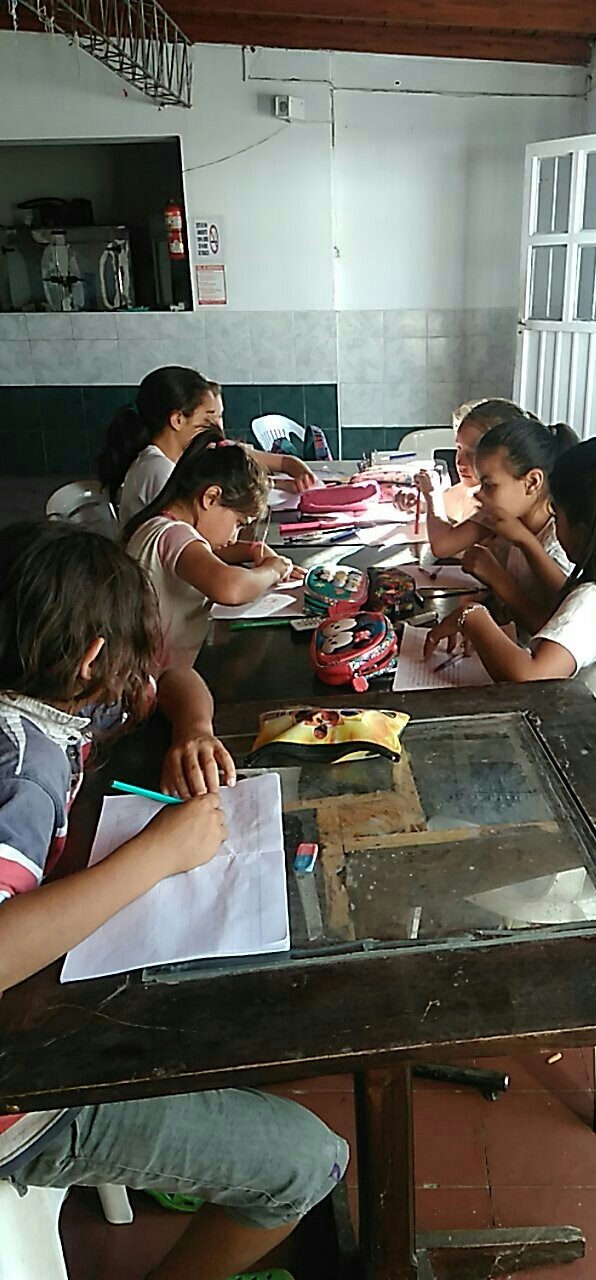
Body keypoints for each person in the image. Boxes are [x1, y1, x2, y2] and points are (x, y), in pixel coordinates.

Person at [0, 521, 348, 1280]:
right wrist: (155, 855)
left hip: (42, 1024)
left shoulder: (47, 689)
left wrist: (192, 729)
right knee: (309, 1161)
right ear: (93, 656)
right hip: (23, 1095)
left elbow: (175, 679)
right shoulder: (19, 770)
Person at [424, 424, 596, 724]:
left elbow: (530, 679)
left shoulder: (595, 599)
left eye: (557, 515)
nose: (555, 527)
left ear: (584, 526)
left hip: (588, 744)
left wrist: (472, 617)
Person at [124, 432, 298, 670]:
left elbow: (210, 552)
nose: (234, 536)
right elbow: (230, 588)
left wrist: (254, 550)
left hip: (158, 668)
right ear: (211, 498)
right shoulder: (174, 535)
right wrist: (273, 570)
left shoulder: (160, 525)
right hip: (155, 677)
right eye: (238, 523)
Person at [96, 366, 316, 525]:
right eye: (208, 418)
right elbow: (199, 538)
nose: (217, 427)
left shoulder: (176, 460)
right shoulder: (157, 469)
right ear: (178, 420)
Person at [457, 415, 578, 636]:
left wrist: (498, 579)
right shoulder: (514, 527)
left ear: (532, 482)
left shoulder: (559, 545)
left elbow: (557, 633)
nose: (479, 495)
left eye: (489, 485)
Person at [397, 398, 532, 545]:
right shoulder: (470, 489)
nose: (460, 462)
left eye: (473, 453)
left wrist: (431, 495)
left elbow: (443, 545)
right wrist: (420, 503)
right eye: (459, 448)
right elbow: (449, 503)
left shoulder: (499, 504)